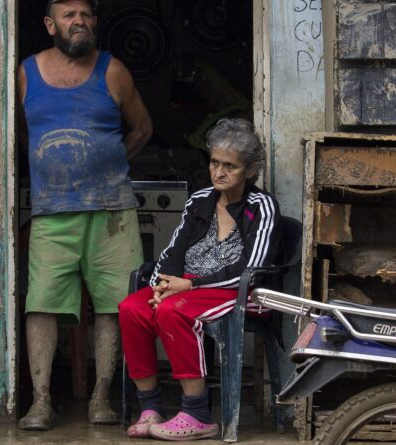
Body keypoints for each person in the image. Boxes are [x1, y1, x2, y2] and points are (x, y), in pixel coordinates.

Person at [16, 0, 152, 431]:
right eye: (68, 15)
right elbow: (20, 131)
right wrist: (48, 165)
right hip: (52, 210)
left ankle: (101, 397)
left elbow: (142, 128)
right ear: (49, 24)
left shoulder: (113, 70)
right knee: (41, 304)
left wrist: (109, 165)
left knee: (115, 305)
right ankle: (41, 402)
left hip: (112, 210)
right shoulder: (27, 72)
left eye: (86, 14)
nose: (79, 21)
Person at [118, 118, 280, 441]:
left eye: (230, 166)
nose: (219, 172)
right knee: (132, 308)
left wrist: (191, 285)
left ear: (250, 170)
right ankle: (150, 407)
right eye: (214, 162)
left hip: (238, 291)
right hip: (188, 287)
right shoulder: (200, 200)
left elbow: (252, 267)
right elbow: (175, 250)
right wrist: (161, 283)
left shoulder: (262, 207)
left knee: (172, 311)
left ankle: (197, 414)